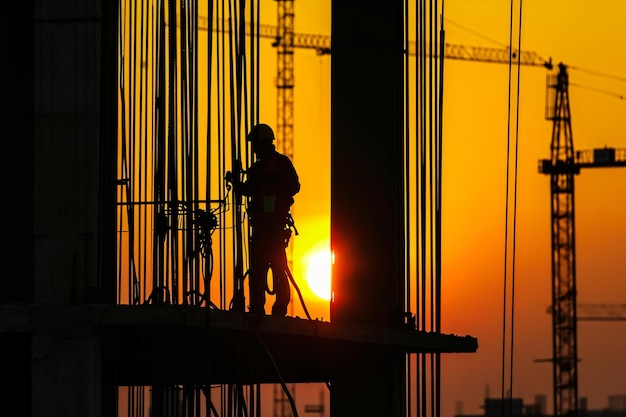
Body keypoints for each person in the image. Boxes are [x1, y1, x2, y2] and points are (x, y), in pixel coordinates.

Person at [233, 123, 300, 316]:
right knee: (257, 269)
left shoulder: (281, 163)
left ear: (263, 144)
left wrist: (274, 190)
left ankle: (280, 307)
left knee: (279, 267)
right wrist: (238, 185)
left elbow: (295, 186)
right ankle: (256, 308)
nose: (253, 149)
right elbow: (250, 189)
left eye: (255, 144)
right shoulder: (255, 169)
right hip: (261, 226)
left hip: (275, 226)